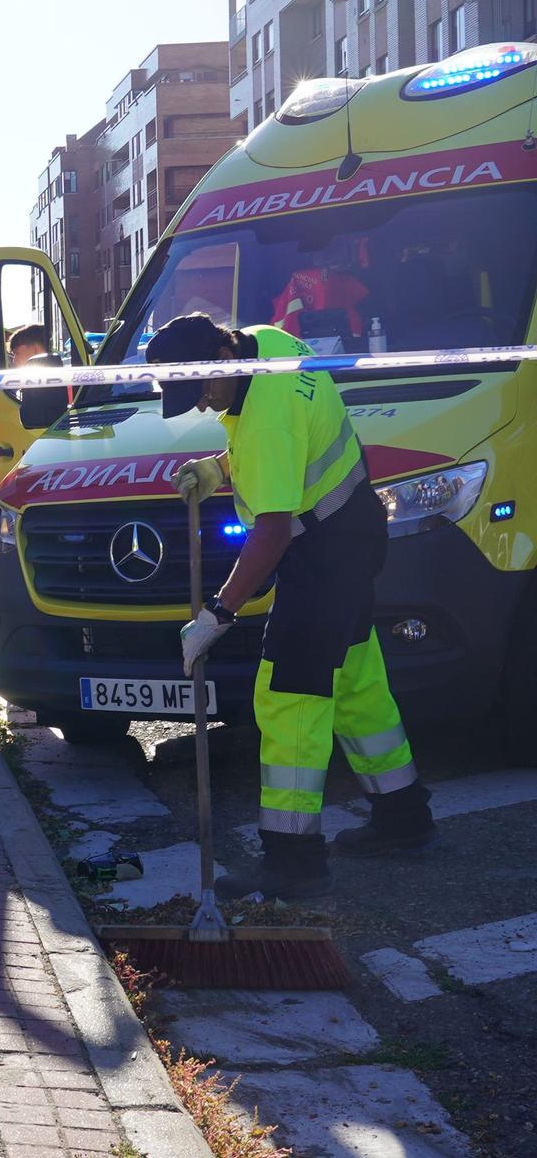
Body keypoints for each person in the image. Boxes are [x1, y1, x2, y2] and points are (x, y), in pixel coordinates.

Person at [152, 313, 435, 901]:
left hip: (321, 551)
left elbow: (272, 533)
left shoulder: (266, 420)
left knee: (288, 699)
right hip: (352, 532)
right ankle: (403, 817)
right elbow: (285, 441)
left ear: (222, 360)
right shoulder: (270, 344)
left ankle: (294, 858)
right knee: (357, 683)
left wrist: (217, 614)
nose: (202, 407)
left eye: (200, 390)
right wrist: (218, 468)